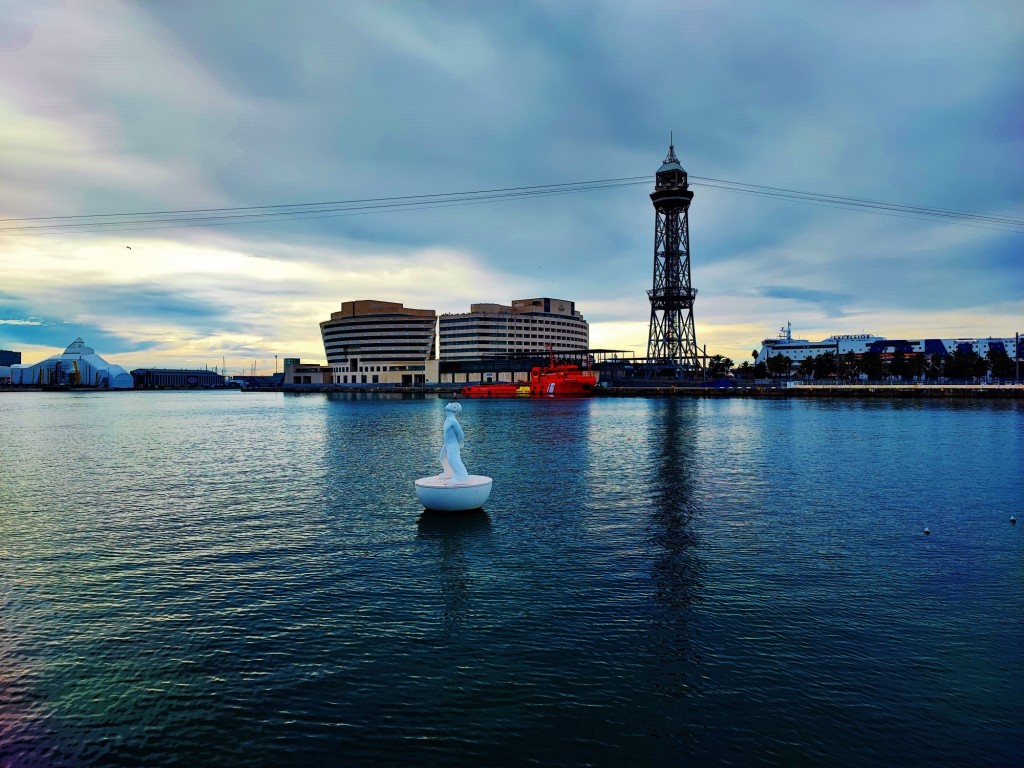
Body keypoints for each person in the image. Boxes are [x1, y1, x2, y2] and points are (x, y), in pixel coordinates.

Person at [439, 402, 469, 484]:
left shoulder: (453, 421)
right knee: (442, 458)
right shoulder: (448, 419)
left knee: (453, 460)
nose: (449, 403)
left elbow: (461, 434)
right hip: (446, 444)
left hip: (452, 444)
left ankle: (462, 477)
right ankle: (448, 472)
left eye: (452, 404)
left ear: (454, 409)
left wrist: (461, 444)